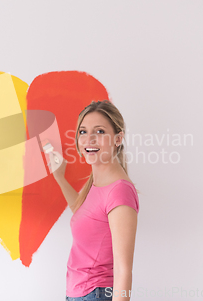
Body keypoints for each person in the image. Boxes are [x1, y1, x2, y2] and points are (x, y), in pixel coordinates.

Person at [49, 100, 139, 301]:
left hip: (95, 295)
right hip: (79, 293)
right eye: (83, 131)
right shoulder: (97, 183)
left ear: (118, 139)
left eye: (99, 132)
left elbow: (124, 271)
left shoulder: (120, 191)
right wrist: (60, 178)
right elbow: (84, 215)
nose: (89, 139)